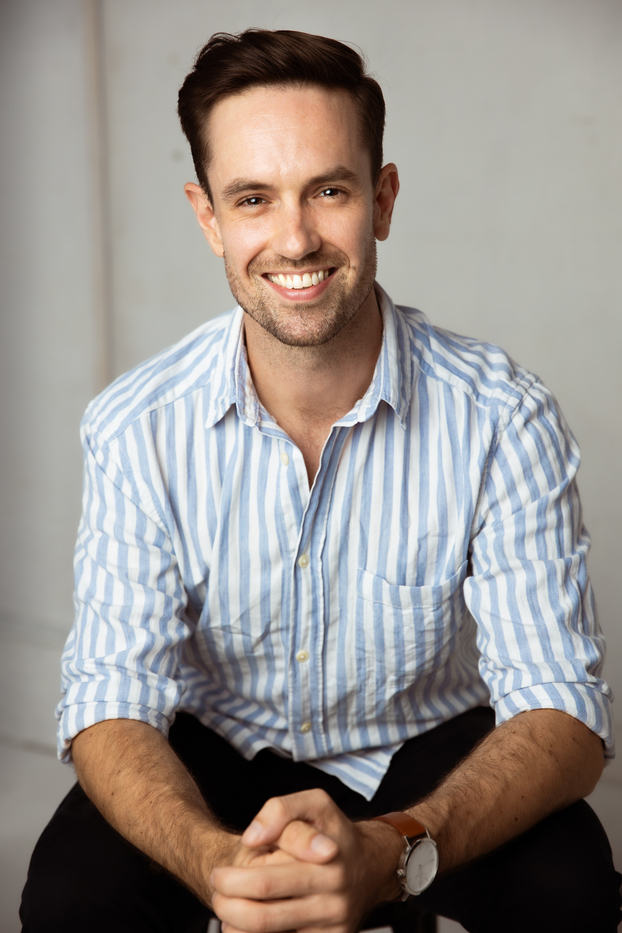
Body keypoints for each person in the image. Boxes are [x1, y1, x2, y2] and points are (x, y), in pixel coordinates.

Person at [21, 28, 620, 933]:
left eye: (329, 190)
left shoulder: (504, 416)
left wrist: (397, 848)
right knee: (71, 899)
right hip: (217, 747)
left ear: (383, 200)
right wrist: (213, 862)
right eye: (253, 199)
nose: (295, 238)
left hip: (419, 746)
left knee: (571, 889)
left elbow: (562, 710)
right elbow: (110, 697)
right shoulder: (136, 425)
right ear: (208, 217)